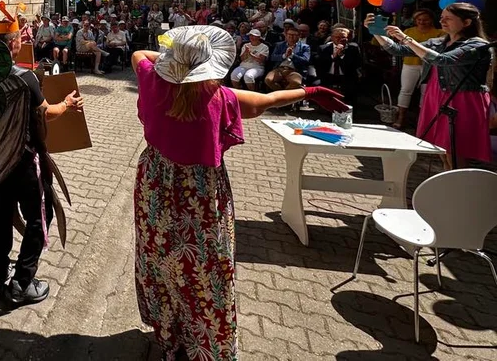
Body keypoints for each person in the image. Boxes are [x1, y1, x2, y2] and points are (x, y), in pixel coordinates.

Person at [130, 26, 347, 360]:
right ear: (209, 65)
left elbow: (139, 55)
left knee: (159, 260)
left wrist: (173, 63)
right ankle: (205, 342)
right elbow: (267, 101)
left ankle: (169, 335)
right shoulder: (221, 98)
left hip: (154, 186)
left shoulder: (151, 79)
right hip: (199, 195)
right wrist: (311, 90)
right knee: (204, 268)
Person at [0, 10, 84, 305]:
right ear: (13, 44)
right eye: (19, 39)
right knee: (40, 217)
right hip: (23, 162)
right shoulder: (25, 78)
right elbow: (45, 113)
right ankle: (22, 282)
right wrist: (66, 103)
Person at [367, 3, 493, 168]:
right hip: (437, 94)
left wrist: (406, 38)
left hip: (462, 98)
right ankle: (447, 178)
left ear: (467, 22)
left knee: (455, 148)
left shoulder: (477, 45)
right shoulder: (439, 42)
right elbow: (398, 50)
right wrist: (376, 32)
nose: (443, 21)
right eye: (441, 17)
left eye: (448, 18)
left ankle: (457, 184)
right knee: (441, 147)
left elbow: (443, 60)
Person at [392, 9, 444, 128]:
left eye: (425, 19)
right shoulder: (408, 31)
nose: (422, 22)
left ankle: (422, 120)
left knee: (426, 93)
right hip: (410, 64)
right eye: (419, 20)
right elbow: (402, 48)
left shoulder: (440, 33)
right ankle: (400, 118)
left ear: (431, 20)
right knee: (405, 90)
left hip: (430, 66)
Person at [316, 25, 362, 108]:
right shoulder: (323, 48)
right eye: (337, 37)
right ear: (332, 38)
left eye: (343, 37)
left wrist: (341, 56)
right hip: (328, 75)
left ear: (348, 38)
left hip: (347, 75)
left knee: (351, 87)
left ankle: (349, 108)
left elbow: (356, 64)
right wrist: (333, 56)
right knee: (317, 84)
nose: (340, 40)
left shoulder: (353, 48)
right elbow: (319, 64)